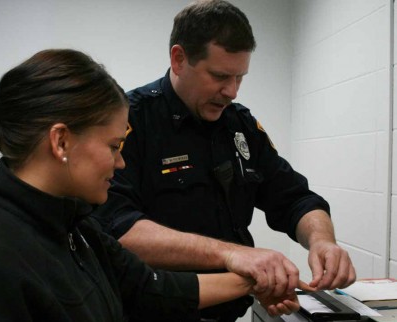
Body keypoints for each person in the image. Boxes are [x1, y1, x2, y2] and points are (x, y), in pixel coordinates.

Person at [0, 49, 305, 321]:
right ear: (61, 142)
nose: (120, 162)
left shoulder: (76, 226)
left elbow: (151, 286)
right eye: (114, 146)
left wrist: (260, 278)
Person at [94, 1, 356, 321]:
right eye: (219, 76)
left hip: (229, 311)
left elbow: (294, 198)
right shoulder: (131, 121)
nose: (231, 91)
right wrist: (234, 255)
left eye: (240, 77)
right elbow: (119, 230)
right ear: (179, 59)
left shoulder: (241, 125)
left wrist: (323, 242)